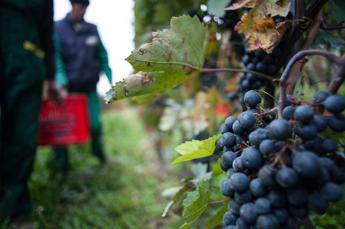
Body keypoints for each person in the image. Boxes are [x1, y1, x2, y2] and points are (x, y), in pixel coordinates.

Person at [0, 0, 61, 223]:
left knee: (22, 138)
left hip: (26, 59)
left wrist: (51, 76)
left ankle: (16, 207)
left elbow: (47, 30)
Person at [54, 0, 112, 171]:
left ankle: (99, 156)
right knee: (62, 130)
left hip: (89, 89)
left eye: (85, 6)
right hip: (67, 91)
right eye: (79, 5)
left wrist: (111, 82)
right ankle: (61, 167)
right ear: (72, 5)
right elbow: (55, 57)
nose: (82, 9)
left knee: (95, 125)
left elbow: (103, 56)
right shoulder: (58, 28)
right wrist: (61, 82)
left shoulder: (92, 29)